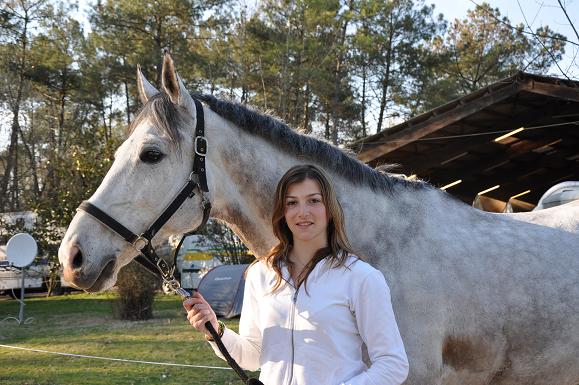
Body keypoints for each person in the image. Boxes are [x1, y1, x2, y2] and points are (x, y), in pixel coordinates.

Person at [183, 164, 409, 385]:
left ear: (329, 209)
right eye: (292, 203)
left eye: (313, 201)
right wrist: (216, 330)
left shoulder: (361, 277)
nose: (303, 212)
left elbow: (392, 363)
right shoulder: (260, 274)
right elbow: (253, 354)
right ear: (283, 212)